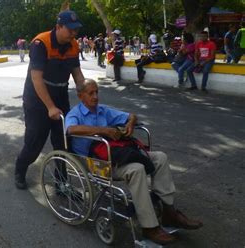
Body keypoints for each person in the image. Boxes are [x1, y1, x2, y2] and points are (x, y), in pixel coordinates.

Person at [65, 79, 203, 245]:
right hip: (96, 163)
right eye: (91, 93)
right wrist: (103, 130)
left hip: (116, 155)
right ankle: (150, 227)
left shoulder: (103, 111)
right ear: (81, 96)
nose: (95, 96)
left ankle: (169, 212)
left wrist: (130, 123)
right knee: (136, 169)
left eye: (97, 92)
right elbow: (71, 129)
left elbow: (131, 116)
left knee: (160, 157)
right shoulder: (75, 114)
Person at [14, 10, 86, 190]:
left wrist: (86, 94)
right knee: (35, 142)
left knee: (62, 142)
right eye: (70, 30)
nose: (73, 33)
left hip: (60, 94)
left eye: (76, 30)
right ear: (58, 27)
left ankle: (61, 183)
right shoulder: (41, 43)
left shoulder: (73, 45)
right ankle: (20, 169)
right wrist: (50, 107)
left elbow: (77, 74)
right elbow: (36, 79)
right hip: (37, 98)